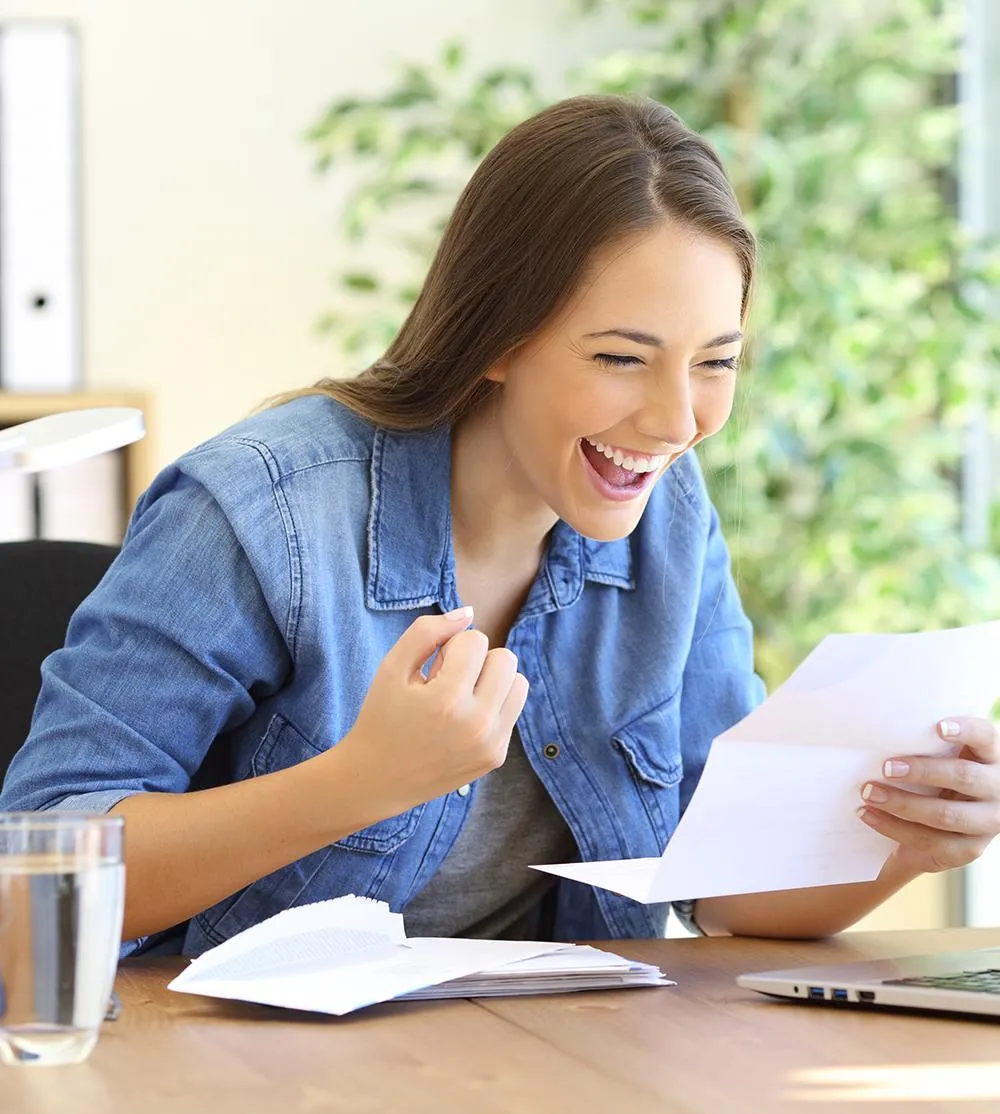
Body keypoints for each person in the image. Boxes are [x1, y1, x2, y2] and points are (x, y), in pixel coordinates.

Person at [2, 96, 997, 955]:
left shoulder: (670, 525)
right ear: (497, 338)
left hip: (544, 1059)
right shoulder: (262, 511)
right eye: (620, 357)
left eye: (715, 362)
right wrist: (359, 781)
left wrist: (903, 842)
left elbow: (725, 882)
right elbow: (32, 887)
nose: (675, 419)